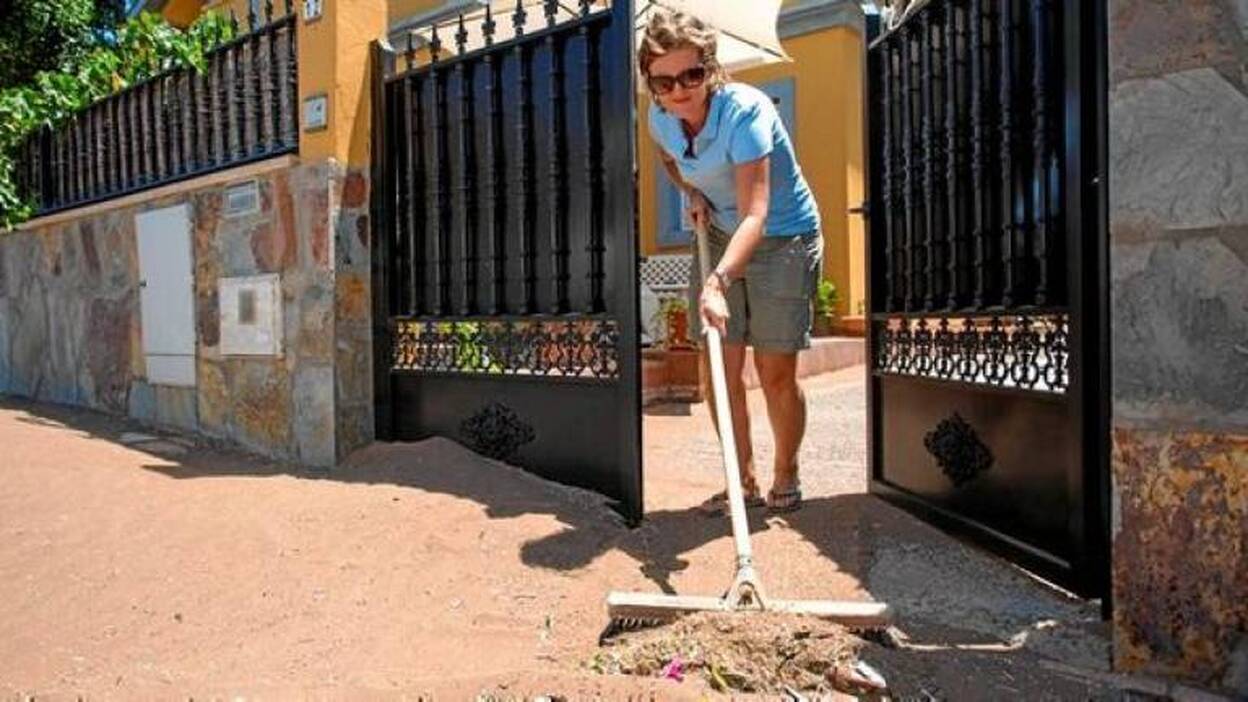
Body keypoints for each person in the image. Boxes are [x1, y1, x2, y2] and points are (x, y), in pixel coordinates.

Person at [640, 10, 823, 515]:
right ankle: (741, 481)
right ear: (651, 82)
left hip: (782, 237)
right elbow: (669, 157)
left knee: (773, 371)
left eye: (691, 75)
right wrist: (689, 189)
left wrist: (718, 281)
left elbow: (756, 213)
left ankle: (786, 471)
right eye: (664, 80)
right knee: (718, 369)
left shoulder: (746, 112)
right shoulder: (659, 115)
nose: (679, 90)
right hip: (719, 231)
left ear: (711, 69)